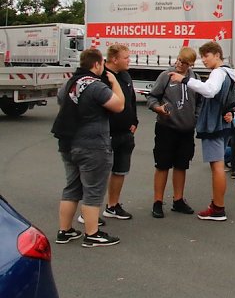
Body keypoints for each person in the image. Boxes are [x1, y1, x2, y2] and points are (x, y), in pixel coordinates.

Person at [54, 48, 125, 247]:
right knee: (93, 189)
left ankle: (64, 230)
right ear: (97, 64)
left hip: (68, 143)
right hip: (92, 145)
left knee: (72, 187)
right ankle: (92, 234)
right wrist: (115, 83)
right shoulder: (95, 85)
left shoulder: (69, 83)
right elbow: (119, 105)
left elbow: (61, 101)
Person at [169, 41, 235, 221]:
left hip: (213, 125)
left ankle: (218, 208)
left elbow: (209, 90)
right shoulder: (230, 73)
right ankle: (217, 205)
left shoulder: (218, 73)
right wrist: (231, 113)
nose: (204, 60)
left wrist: (184, 79)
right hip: (224, 124)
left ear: (217, 55)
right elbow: (234, 99)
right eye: (202, 57)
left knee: (217, 166)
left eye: (206, 56)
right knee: (219, 165)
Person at [146, 47, 200, 219]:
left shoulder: (195, 78)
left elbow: (200, 101)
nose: (179, 64)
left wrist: (195, 118)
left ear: (190, 64)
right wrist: (158, 108)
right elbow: (152, 97)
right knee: (162, 165)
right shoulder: (166, 76)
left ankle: (178, 200)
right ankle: (157, 202)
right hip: (166, 128)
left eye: (183, 62)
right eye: (178, 60)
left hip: (186, 130)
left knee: (181, 165)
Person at [102, 44, 138, 220]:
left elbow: (131, 100)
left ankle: (112, 206)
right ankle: (89, 212)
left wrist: (134, 121)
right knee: (98, 174)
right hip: (106, 133)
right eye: (126, 57)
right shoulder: (102, 77)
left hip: (125, 133)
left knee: (120, 170)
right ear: (114, 59)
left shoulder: (125, 75)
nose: (129, 60)